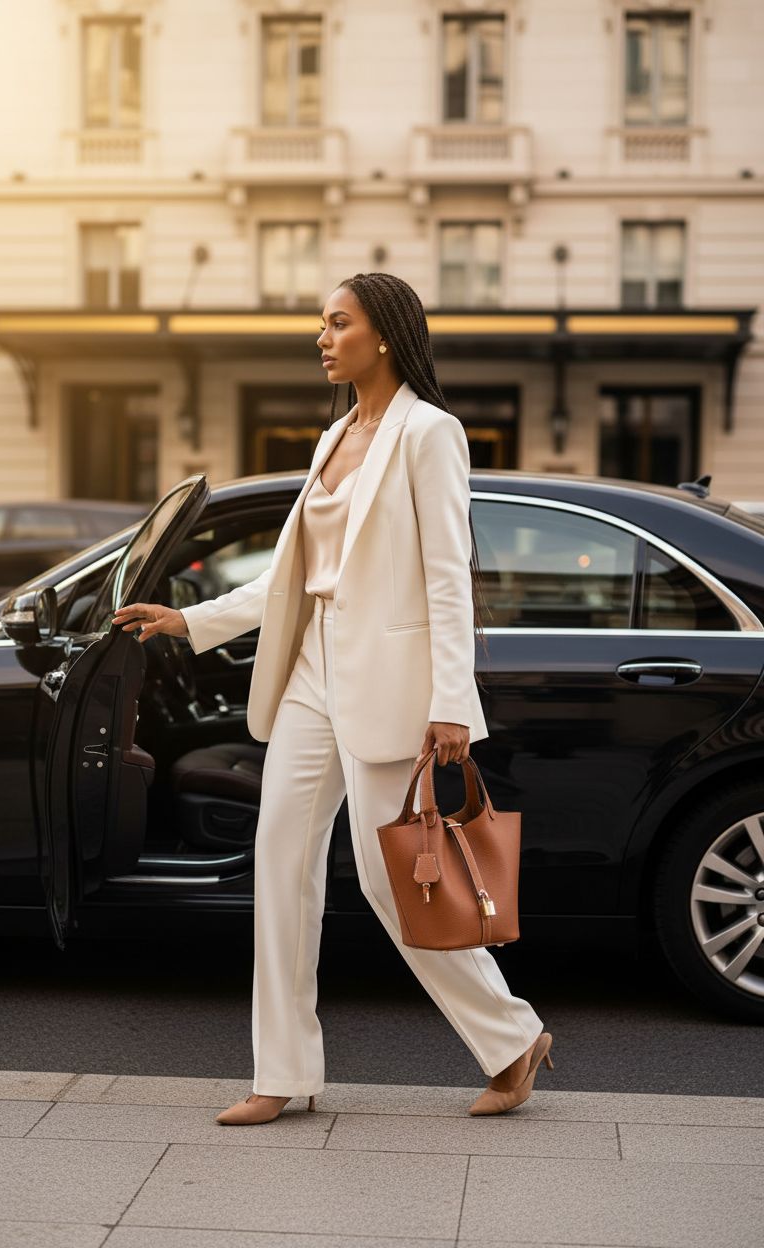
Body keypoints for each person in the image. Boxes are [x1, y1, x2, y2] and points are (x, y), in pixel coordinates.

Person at [112, 271, 554, 1122]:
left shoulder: (431, 433)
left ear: (382, 335)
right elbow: (292, 579)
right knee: (280, 863)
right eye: (322, 323)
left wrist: (451, 699)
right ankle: (282, 1074)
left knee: (396, 884)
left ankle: (511, 1037)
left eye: (336, 322)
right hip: (312, 672)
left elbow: (446, 577)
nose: (322, 337)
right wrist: (188, 619)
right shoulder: (333, 437)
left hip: (390, 683)